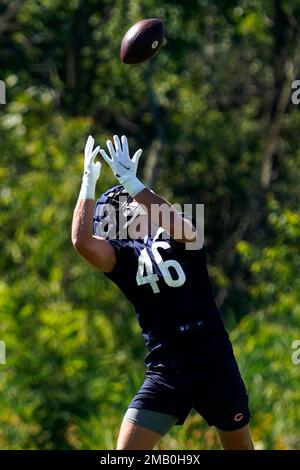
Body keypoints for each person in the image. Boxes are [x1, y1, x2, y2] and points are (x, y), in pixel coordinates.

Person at [71, 135, 254, 450]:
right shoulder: (123, 257)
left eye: (131, 202)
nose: (131, 207)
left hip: (212, 360)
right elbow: (82, 242)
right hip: (167, 367)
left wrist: (131, 182)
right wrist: (88, 184)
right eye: (124, 206)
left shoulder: (179, 237)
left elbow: (181, 226)